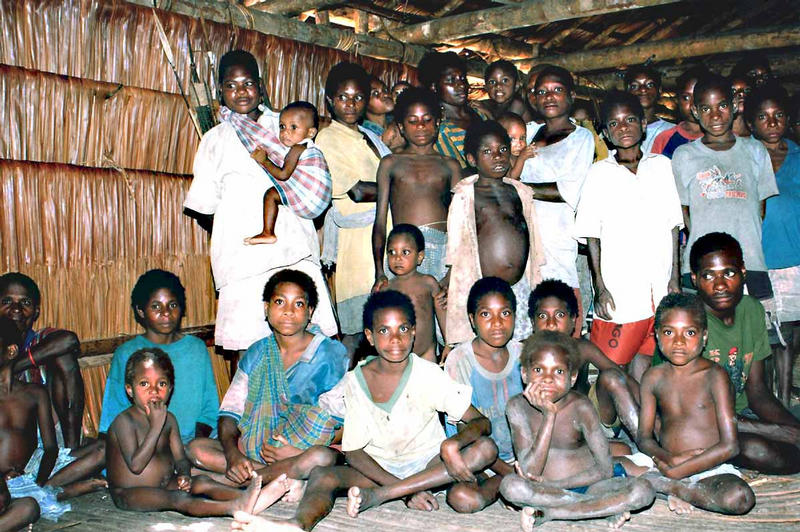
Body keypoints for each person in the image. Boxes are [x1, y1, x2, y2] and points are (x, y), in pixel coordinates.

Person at [233, 291, 498, 530]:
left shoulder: (428, 374)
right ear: (370, 336)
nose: (395, 339)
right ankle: (298, 524)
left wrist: (452, 446)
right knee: (324, 475)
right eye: (384, 331)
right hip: (378, 469)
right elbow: (355, 452)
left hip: (430, 466)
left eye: (403, 329)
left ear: (414, 331)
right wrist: (405, 491)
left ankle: (384, 496)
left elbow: (480, 422)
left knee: (485, 449)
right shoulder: (356, 381)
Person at [184, 49, 336, 352]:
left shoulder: (288, 125)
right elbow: (204, 207)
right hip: (243, 261)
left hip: (292, 253)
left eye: (248, 83)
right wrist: (238, 232)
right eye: (231, 85)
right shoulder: (214, 140)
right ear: (220, 91)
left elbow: (311, 180)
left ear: (262, 85)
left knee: (309, 347)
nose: (240, 91)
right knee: (248, 351)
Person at [654, 233, 800, 474]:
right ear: (695, 279)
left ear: (743, 273)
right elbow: (697, 411)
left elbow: (757, 390)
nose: (720, 285)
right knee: (761, 451)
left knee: (792, 445)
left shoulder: (751, 310)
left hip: (740, 415)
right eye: (708, 275)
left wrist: (791, 429)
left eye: (729, 273)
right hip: (694, 423)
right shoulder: (688, 324)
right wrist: (775, 431)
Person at [187, 270, 347, 488]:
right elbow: (230, 413)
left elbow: (341, 426)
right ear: (267, 308)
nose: (288, 311)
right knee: (196, 449)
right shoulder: (257, 354)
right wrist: (234, 456)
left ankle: (247, 480)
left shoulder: (330, 355)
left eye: (298, 304)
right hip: (257, 447)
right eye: (280, 302)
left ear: (310, 312)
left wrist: (295, 452)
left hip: (305, 451)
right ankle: (280, 478)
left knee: (320, 458)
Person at [575, 91, 683, 383]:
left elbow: (674, 226)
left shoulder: (661, 166)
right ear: (606, 132)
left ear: (644, 124)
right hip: (621, 288)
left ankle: (637, 425)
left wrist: (675, 277)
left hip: (658, 286)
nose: (623, 128)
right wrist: (600, 286)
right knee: (613, 366)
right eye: (614, 123)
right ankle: (607, 421)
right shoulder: (599, 174)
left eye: (630, 120)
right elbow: (591, 236)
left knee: (645, 362)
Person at [106, 348, 291, 516]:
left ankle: (252, 498)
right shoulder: (124, 422)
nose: (154, 391)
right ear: (130, 390)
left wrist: (184, 474)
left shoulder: (169, 419)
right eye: (144, 384)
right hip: (130, 493)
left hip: (164, 485)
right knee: (179, 499)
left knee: (201, 480)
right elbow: (136, 465)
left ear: (170, 389)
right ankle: (233, 507)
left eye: (161, 384)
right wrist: (156, 426)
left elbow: (180, 458)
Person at [500, 331, 655, 531]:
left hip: (591, 487)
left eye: (558, 372)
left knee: (643, 491)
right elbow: (530, 472)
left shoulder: (581, 406)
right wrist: (549, 416)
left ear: (572, 378)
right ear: (524, 373)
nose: (547, 379)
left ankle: (554, 514)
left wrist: (556, 487)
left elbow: (605, 469)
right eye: (538, 370)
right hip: (546, 493)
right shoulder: (516, 407)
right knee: (510, 487)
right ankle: (600, 510)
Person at [626, 292, 755, 516]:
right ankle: (674, 486)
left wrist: (678, 473)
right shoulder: (653, 377)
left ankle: (670, 488)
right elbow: (644, 437)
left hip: (708, 468)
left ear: (704, 337)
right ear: (657, 335)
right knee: (603, 465)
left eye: (690, 332)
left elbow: (730, 445)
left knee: (739, 498)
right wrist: (668, 459)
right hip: (663, 462)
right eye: (669, 332)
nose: (679, 342)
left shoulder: (715, 376)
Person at [672, 73, 779, 301]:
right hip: (701, 264)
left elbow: (760, 208)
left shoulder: (755, 150)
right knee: (704, 332)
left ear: (734, 106)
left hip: (749, 260)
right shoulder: (684, 156)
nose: (715, 115)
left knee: (755, 331)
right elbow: (684, 212)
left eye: (721, 106)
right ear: (695, 112)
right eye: (706, 108)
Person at [445, 121, 544, 346]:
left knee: (522, 345)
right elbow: (456, 244)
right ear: (472, 159)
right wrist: (448, 277)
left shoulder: (518, 191)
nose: (498, 157)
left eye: (502, 150)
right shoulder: (466, 195)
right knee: (487, 346)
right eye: (487, 152)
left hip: (519, 286)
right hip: (483, 287)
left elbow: (530, 236)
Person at [0, 317, 106, 522]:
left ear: (11, 351)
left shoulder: (34, 393)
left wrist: (39, 481)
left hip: (35, 469)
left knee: (103, 448)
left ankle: (44, 491)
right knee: (24, 506)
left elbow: (50, 448)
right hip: (3, 481)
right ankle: (56, 493)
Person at [99, 269, 219, 444]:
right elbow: (114, 412)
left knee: (204, 452)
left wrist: (194, 442)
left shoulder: (196, 349)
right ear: (141, 311)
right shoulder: (126, 353)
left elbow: (209, 409)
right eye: (156, 306)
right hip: (146, 443)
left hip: (194, 442)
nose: (166, 313)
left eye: (172, 305)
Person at [316, 61, 391, 339]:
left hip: (385, 241)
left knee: (387, 331)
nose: (351, 104)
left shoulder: (370, 136)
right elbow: (357, 191)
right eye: (343, 97)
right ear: (329, 102)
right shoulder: (328, 138)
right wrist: (404, 187)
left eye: (358, 97)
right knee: (357, 336)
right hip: (358, 248)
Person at [520, 66, 594, 317]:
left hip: (557, 233)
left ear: (571, 96)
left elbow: (568, 188)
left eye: (557, 90)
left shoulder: (581, 138)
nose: (549, 97)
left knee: (557, 301)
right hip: (522, 231)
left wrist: (519, 188)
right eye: (542, 92)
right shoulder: (528, 132)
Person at [443, 277, 521, 513]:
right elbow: (462, 431)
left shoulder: (524, 355)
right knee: (462, 499)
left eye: (505, 313)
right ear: (472, 320)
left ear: (515, 317)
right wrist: (508, 472)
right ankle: (510, 485)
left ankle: (507, 486)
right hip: (479, 460)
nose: (497, 323)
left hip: (522, 458)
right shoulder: (459, 361)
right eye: (486, 314)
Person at [528, 280, 641, 441]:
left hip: (591, 421)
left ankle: (646, 442)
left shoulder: (581, 348)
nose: (551, 323)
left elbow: (622, 376)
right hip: (552, 430)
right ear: (533, 322)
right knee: (620, 452)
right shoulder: (526, 354)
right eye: (542, 316)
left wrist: (652, 416)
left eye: (559, 315)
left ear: (573, 319)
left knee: (612, 377)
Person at [371, 87, 461, 288]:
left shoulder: (450, 165)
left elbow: (460, 224)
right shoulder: (390, 163)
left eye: (427, 120)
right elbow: (380, 222)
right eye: (413, 121)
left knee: (438, 315)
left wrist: (453, 271)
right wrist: (379, 271)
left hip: (441, 253)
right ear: (401, 127)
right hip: (401, 254)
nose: (421, 126)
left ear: (437, 123)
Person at [747, 84, 800, 406]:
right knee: (762, 336)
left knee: (788, 335)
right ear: (751, 122)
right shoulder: (744, 155)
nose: (772, 122)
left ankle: (782, 394)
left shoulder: (797, 155)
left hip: (793, 258)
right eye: (763, 116)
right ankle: (762, 397)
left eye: (778, 115)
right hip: (755, 259)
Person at [0, 272, 84, 449]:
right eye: (7, 302)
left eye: (26, 303)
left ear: (36, 311)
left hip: (49, 434)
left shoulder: (40, 340)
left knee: (63, 355)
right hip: (9, 441)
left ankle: (70, 450)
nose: (16, 309)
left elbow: (69, 340)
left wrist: (12, 367)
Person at [242, 101, 331, 245]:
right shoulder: (309, 147)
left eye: (293, 127)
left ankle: (268, 232)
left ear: (311, 132)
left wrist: (264, 161)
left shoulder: (297, 149)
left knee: (271, 195)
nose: (285, 132)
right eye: (282, 126)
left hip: (308, 198)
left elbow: (283, 174)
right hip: (318, 204)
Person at [381, 225, 446, 363]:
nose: (397, 258)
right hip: (397, 355)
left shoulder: (428, 282)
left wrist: (449, 343)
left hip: (427, 352)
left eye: (405, 252)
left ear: (420, 257)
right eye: (392, 252)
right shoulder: (386, 289)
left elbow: (442, 312)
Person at [418, 51, 488, 171]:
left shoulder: (479, 113)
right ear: (434, 87)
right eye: (451, 80)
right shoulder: (439, 129)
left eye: (462, 78)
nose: (461, 85)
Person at [651, 66, 709, 159]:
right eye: (686, 98)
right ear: (677, 100)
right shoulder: (664, 139)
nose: (692, 104)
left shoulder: (721, 136)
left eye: (698, 96)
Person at [624, 65, 674, 154]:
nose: (643, 89)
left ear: (659, 90)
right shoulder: (619, 131)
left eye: (650, 84)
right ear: (627, 92)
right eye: (634, 86)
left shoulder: (673, 132)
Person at [497, 112, 537, 180]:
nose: (519, 144)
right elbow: (511, 178)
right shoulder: (501, 156)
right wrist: (522, 158)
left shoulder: (514, 153)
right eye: (511, 139)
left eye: (522, 138)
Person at [730, 71, 753, 138]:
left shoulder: (761, 132)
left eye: (747, 90)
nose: (741, 94)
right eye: (733, 91)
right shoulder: (716, 134)